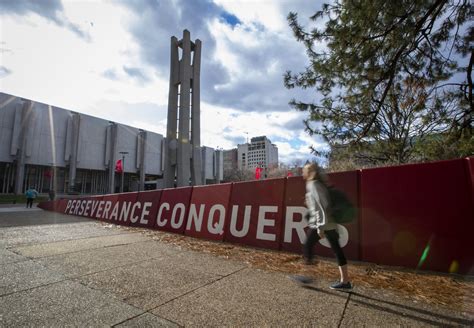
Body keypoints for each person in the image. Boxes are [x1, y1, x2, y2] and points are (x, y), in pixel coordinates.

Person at [303, 162, 352, 290]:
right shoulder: (318, 184)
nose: (303, 173)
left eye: (305, 170)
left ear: (309, 173)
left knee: (308, 245)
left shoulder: (313, 184)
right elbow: (320, 204)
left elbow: (322, 206)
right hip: (328, 222)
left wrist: (320, 226)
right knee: (337, 250)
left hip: (323, 223)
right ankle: (345, 281)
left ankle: (308, 276)